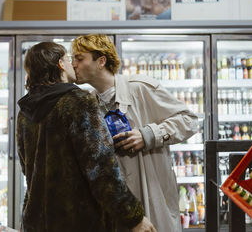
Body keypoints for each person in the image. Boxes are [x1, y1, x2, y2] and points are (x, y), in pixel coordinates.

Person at [16, 42, 156, 232]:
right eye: (68, 59)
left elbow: (27, 169)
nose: (73, 64)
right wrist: (133, 217)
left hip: (36, 220)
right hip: (79, 221)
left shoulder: (25, 111)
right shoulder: (78, 101)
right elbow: (101, 169)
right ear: (60, 64)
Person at [71, 34, 199, 232]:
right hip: (115, 212)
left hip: (152, 203)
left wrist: (148, 135)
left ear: (101, 61)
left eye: (79, 58)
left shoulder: (140, 88)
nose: (73, 65)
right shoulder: (87, 103)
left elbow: (189, 120)